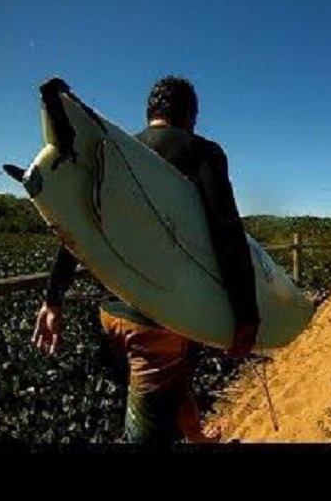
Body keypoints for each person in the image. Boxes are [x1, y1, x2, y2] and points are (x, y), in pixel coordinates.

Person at [33, 76, 260, 446]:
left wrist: (52, 300)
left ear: (149, 112)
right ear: (191, 115)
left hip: (110, 313)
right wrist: (246, 315)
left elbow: (79, 227)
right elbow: (226, 232)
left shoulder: (115, 150)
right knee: (146, 432)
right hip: (156, 322)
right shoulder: (203, 152)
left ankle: (198, 437)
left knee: (174, 380)